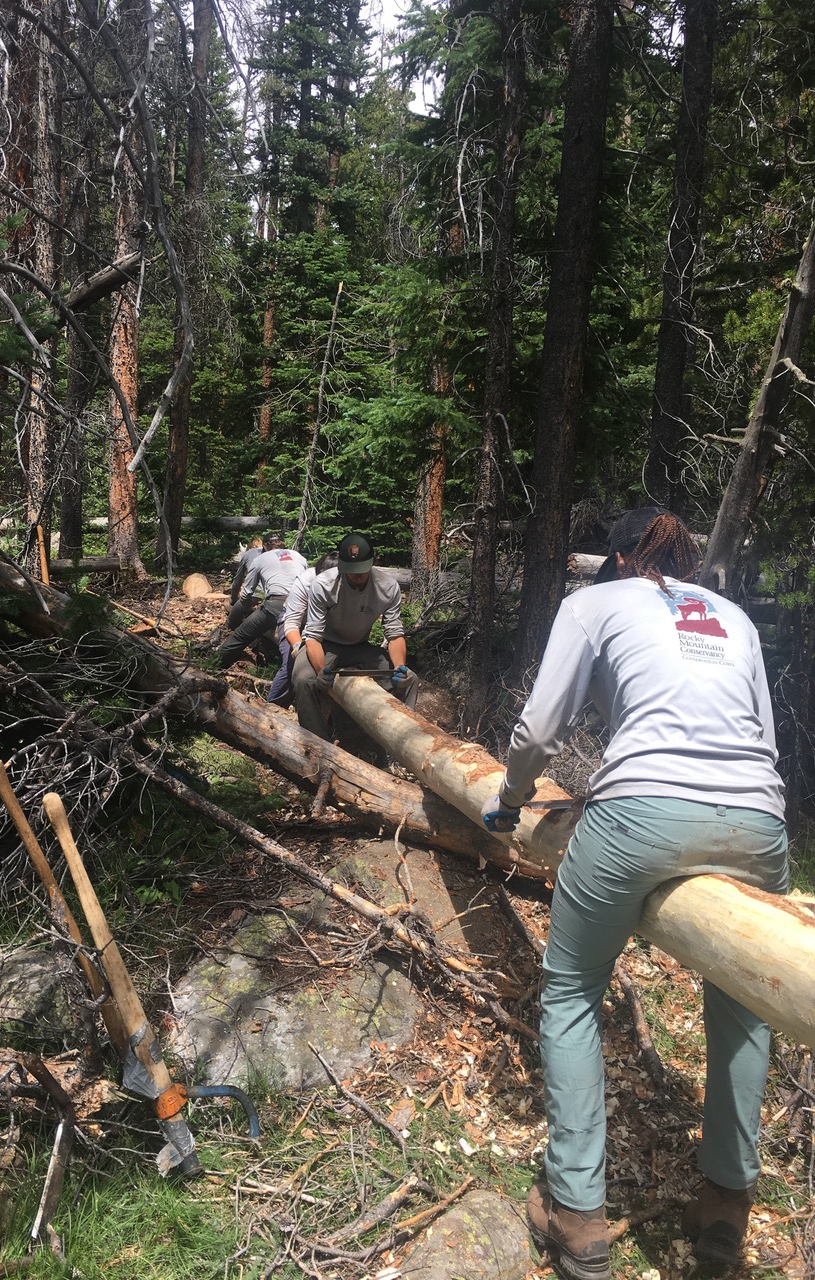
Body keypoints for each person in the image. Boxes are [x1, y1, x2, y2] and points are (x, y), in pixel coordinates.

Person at [481, 508, 788, 1280]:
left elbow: (541, 728)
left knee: (573, 990)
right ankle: (726, 1204)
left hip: (642, 810)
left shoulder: (594, 602)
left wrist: (512, 800)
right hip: (759, 813)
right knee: (746, 994)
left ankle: (578, 1214)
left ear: (617, 561)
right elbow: (763, 739)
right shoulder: (733, 616)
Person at [291, 532, 418, 759]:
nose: (357, 575)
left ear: (372, 563)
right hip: (325, 645)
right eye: (351, 570)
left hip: (360, 645)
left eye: (362, 569)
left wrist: (400, 668)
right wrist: (321, 671)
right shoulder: (324, 584)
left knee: (410, 680)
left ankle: (402, 749)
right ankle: (319, 747)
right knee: (304, 679)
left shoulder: (387, 587)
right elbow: (313, 636)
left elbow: (395, 633)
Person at [216, 534, 307, 669]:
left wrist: (247, 610)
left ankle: (212, 665)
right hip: (303, 603)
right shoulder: (299, 556)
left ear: (264, 546)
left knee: (240, 637)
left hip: (276, 604)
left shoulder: (260, 559)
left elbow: (246, 593)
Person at [266, 549, 339, 708]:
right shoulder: (306, 580)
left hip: (324, 629)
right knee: (293, 663)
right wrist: (298, 646)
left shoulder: (348, 583)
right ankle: (273, 708)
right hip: (297, 625)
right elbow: (292, 622)